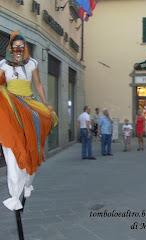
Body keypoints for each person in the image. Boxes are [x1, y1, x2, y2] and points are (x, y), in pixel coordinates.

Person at [0, 32, 58, 211]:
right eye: (15, 45)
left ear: (25, 48)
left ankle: (26, 181)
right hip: (11, 101)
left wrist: (46, 102)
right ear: (11, 48)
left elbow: (39, 84)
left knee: (41, 123)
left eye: (21, 46)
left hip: (28, 100)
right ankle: (16, 190)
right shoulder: (3, 64)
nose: (18, 48)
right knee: (14, 138)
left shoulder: (32, 63)